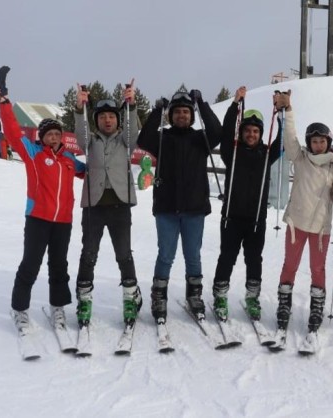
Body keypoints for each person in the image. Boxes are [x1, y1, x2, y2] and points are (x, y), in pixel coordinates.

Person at [0, 86, 86, 333]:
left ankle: (58, 308)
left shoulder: (69, 160)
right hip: (37, 219)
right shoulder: (33, 154)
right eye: (50, 134)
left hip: (63, 222)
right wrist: (4, 103)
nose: (55, 137)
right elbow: (12, 132)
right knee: (31, 265)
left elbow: (91, 172)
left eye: (58, 133)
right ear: (42, 137)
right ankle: (20, 309)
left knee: (59, 266)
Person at [136, 88, 221, 324]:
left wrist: (201, 103)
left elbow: (217, 132)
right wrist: (156, 111)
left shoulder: (200, 139)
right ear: (171, 116)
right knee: (166, 255)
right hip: (166, 208)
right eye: (177, 112)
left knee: (193, 256)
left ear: (191, 116)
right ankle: (159, 295)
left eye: (186, 112)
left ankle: (193, 295)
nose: (182, 115)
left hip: (194, 208)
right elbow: (143, 140)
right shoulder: (162, 138)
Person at [274, 91, 333, 336]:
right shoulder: (300, 158)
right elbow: (289, 138)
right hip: (297, 223)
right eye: (314, 140)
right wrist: (287, 110)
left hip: (320, 228)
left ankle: (317, 306)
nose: (318, 144)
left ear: (328, 142)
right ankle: (284, 302)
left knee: (317, 268)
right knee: (290, 264)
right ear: (309, 142)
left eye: (322, 141)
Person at [73, 82, 141, 328]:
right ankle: (84, 300)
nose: (108, 120)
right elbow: (80, 133)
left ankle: (131, 297)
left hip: (120, 205)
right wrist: (80, 107)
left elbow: (134, 130)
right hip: (93, 205)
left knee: (124, 254)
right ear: (97, 120)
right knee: (89, 253)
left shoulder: (125, 140)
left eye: (112, 116)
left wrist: (131, 104)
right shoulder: (90, 141)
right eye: (103, 117)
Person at [212, 86, 283, 322]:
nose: (251, 134)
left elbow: (283, 142)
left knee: (254, 259)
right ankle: (220, 297)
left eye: (255, 131)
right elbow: (225, 134)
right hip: (231, 217)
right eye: (247, 131)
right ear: (242, 132)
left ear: (261, 133)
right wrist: (235, 104)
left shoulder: (266, 153)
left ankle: (252, 297)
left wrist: (281, 111)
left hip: (256, 220)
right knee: (227, 257)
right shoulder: (231, 151)